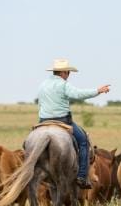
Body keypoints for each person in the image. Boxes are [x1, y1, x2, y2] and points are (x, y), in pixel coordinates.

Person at [37, 59, 110, 189]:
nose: (68, 75)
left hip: (43, 121)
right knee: (83, 141)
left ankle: (35, 172)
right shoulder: (63, 84)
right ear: (63, 72)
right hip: (62, 120)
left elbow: (41, 103)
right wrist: (98, 91)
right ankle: (82, 176)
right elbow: (78, 94)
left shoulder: (42, 84)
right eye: (68, 73)